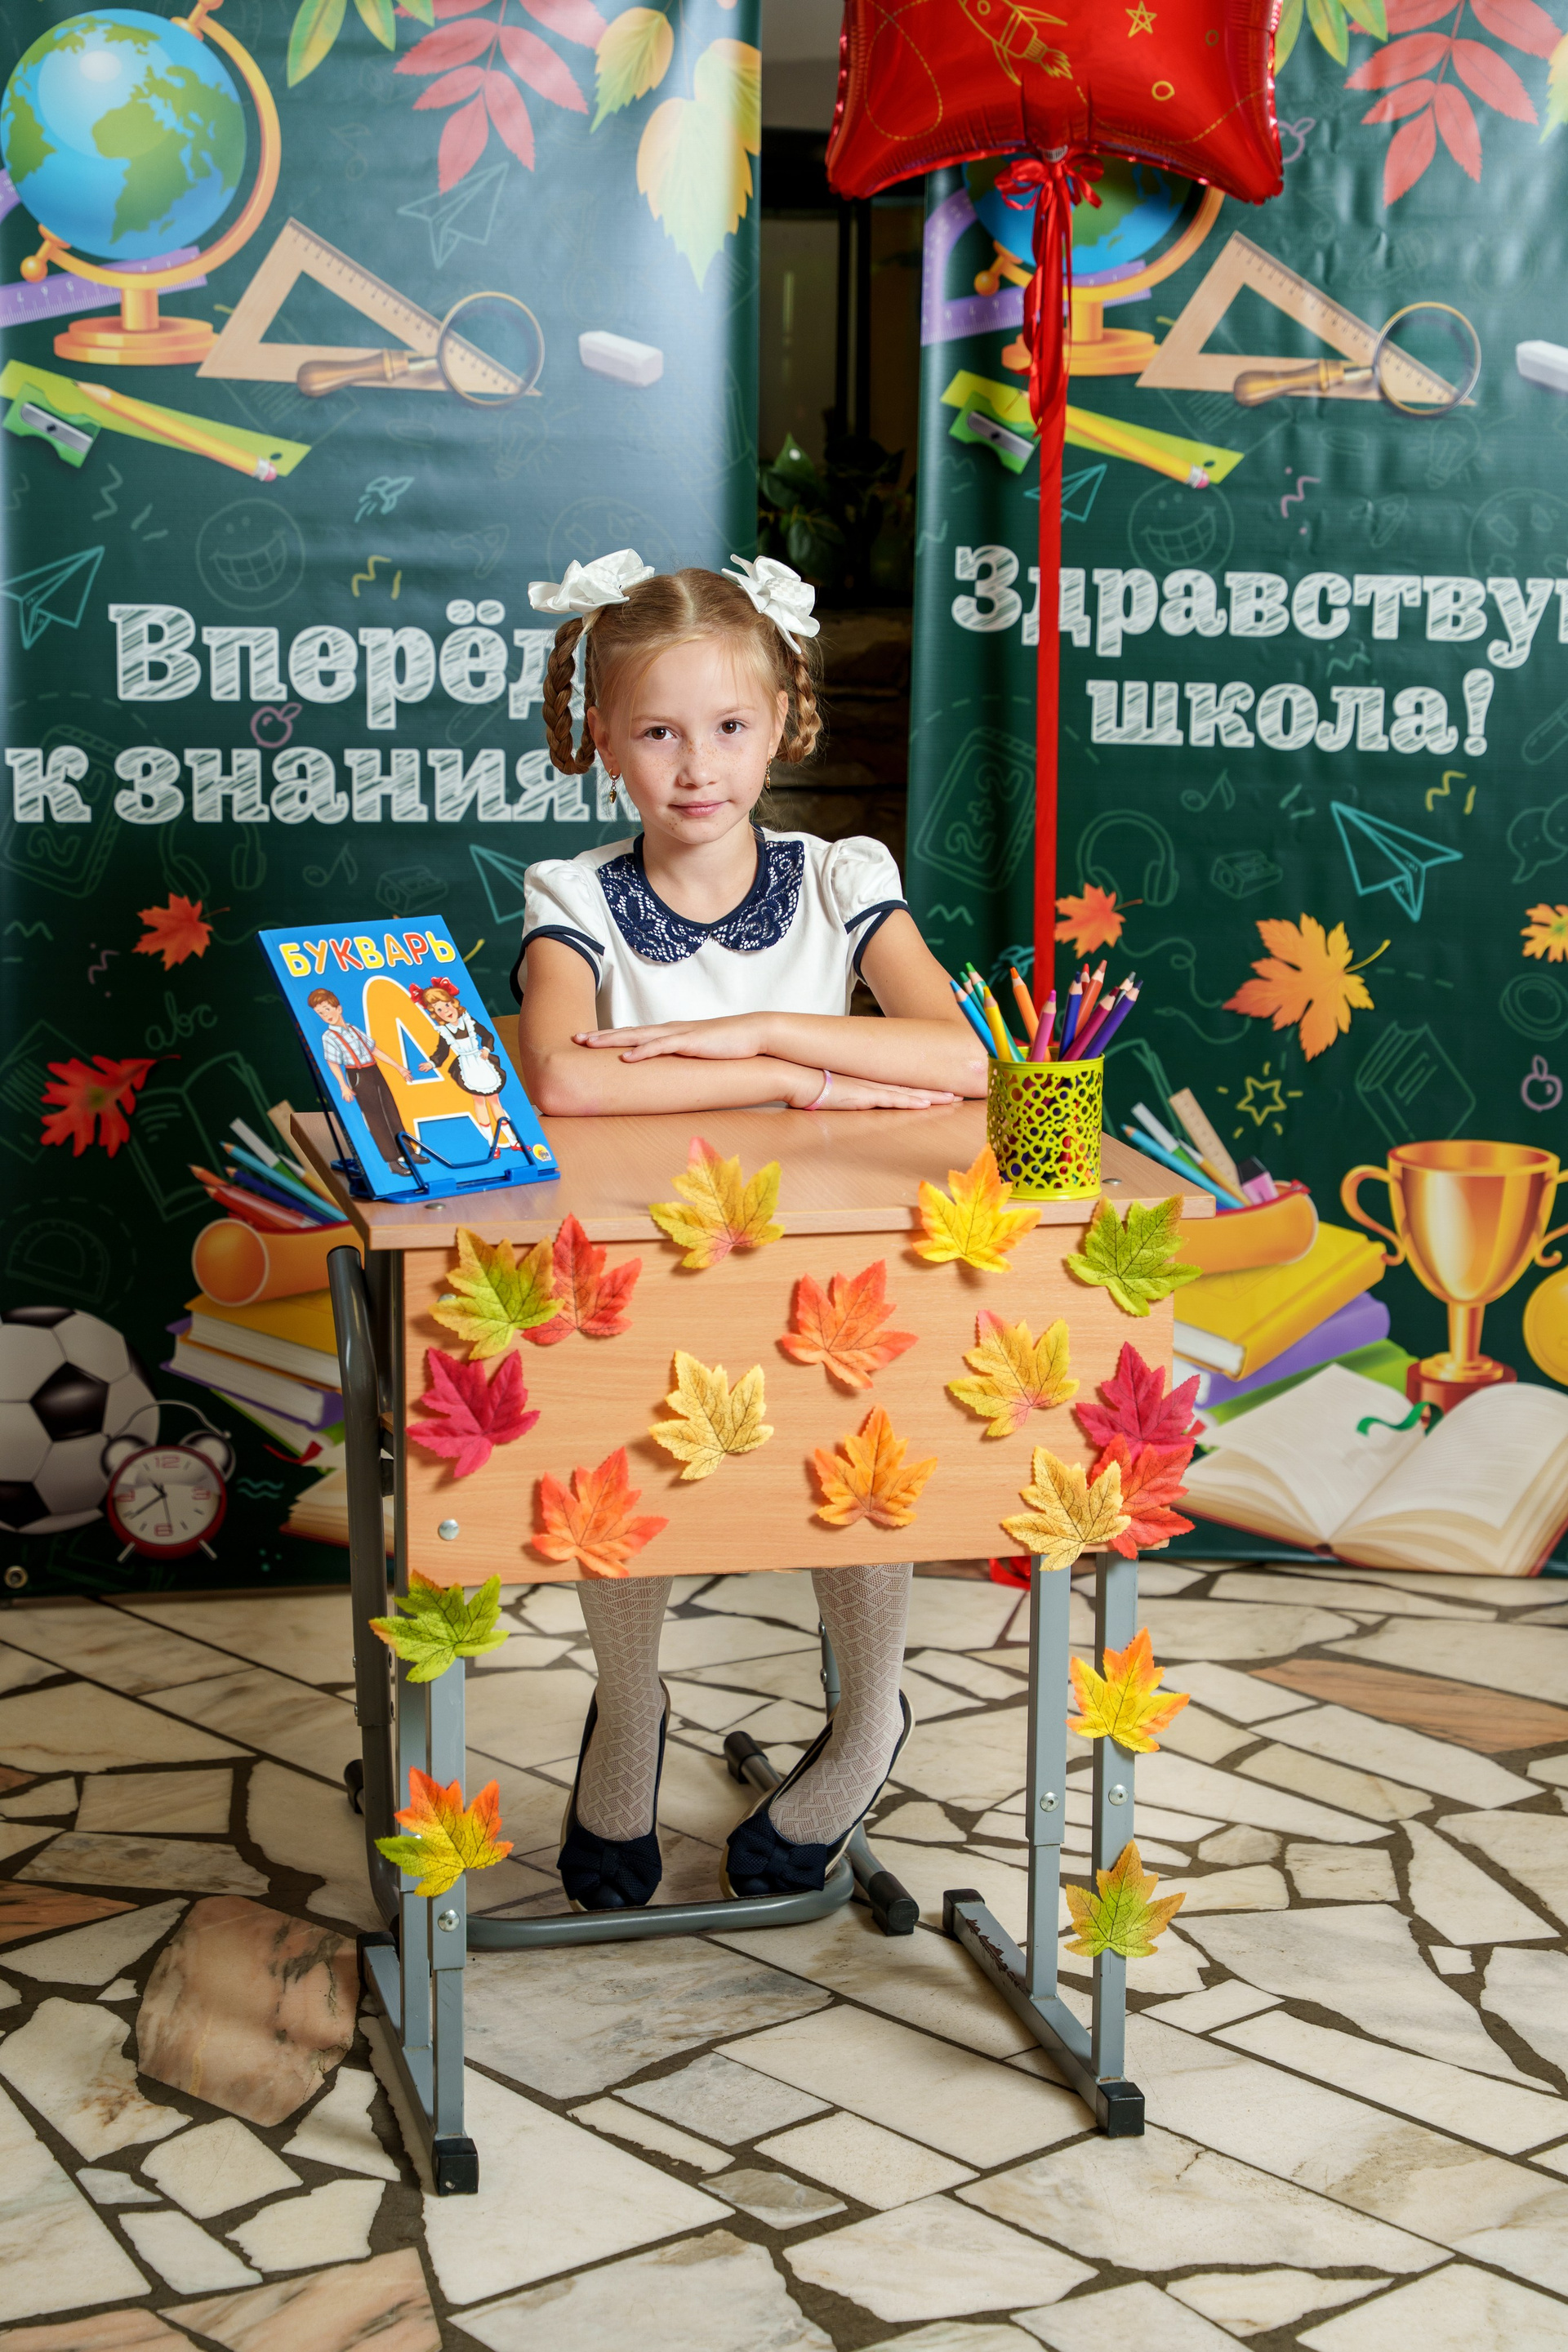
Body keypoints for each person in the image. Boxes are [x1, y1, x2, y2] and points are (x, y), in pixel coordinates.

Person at [514, 548, 987, 1913]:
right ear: (603, 740)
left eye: (728, 726)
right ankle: (629, 1705)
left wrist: (764, 1032)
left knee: (866, 1446)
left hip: (829, 1265)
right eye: (658, 732)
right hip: (649, 1266)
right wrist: (806, 1075)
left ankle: (871, 1715)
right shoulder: (575, 898)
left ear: (783, 722)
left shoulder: (841, 878)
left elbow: (964, 1057)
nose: (697, 767)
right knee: (618, 1457)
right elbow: (566, 1079)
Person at [307, 987, 421, 1175]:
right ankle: (392, 1161)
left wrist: (398, 1067)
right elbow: (332, 1062)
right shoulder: (329, 1037)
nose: (326, 1015)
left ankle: (408, 1152)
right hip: (358, 1075)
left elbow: (373, 1050)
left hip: (374, 1071)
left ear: (338, 1008)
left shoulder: (353, 1029)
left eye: (327, 1009)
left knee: (391, 1111)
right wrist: (343, 1086)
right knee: (375, 1118)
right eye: (320, 1013)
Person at [412, 977, 523, 1154]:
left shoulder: (468, 1021)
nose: (446, 1011)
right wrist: (432, 1063)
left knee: (495, 1101)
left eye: (446, 1005)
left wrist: (486, 1048)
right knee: (478, 1102)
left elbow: (487, 1035)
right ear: (435, 1013)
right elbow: (442, 1051)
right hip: (466, 1067)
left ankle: (513, 1140)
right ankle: (491, 1144)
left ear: (453, 1002)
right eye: (439, 1009)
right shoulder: (444, 1031)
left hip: (481, 1061)